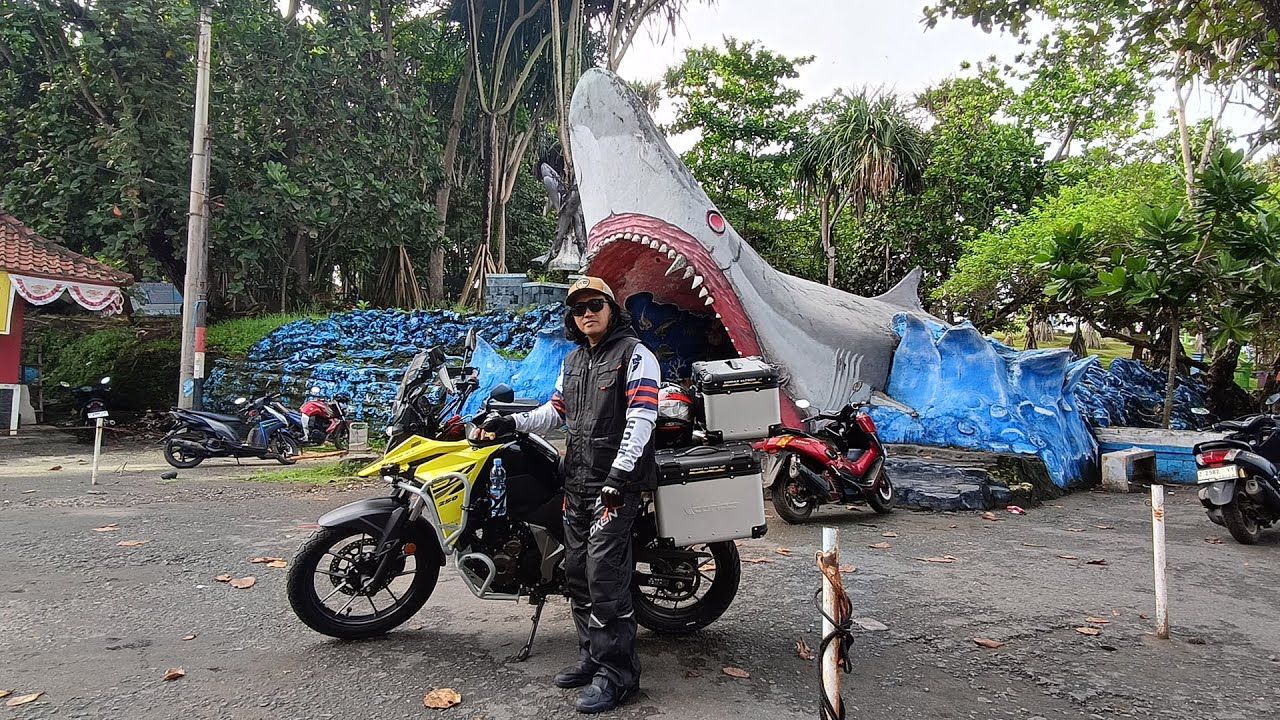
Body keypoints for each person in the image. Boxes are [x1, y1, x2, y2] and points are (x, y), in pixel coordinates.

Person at [482, 276, 659, 714]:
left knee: (605, 580)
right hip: (576, 483)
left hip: (615, 488)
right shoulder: (573, 362)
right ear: (572, 318)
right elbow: (553, 413)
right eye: (579, 308)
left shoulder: (636, 356)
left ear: (611, 309)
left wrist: (619, 474)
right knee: (577, 573)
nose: (587, 313)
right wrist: (513, 423)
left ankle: (618, 677)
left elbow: (641, 419)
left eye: (595, 304)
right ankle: (592, 657)